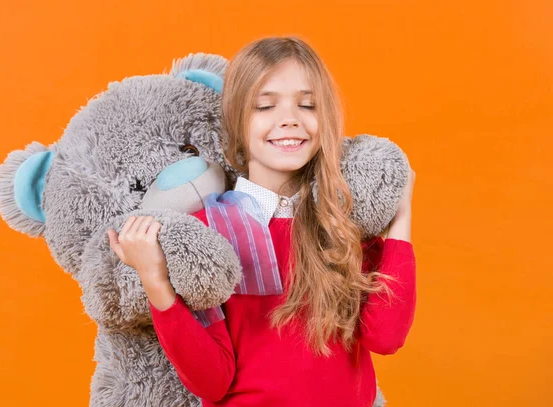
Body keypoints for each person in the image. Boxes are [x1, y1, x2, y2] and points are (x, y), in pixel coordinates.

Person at [107, 36, 416, 407]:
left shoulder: (342, 227)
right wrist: (155, 278)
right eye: (265, 106)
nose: (290, 119)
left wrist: (401, 213)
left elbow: (386, 337)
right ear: (237, 123)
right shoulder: (209, 232)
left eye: (308, 105)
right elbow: (211, 380)